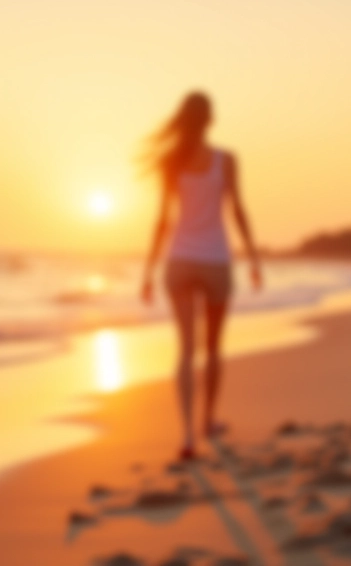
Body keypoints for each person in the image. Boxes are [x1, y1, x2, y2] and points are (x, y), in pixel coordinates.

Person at [140, 91, 263, 461]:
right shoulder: (226, 161)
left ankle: (187, 437)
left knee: (184, 351)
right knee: (212, 349)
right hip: (215, 261)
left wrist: (148, 271)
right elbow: (237, 211)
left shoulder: (171, 162)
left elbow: (162, 221)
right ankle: (208, 421)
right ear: (210, 119)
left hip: (178, 261)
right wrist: (254, 257)